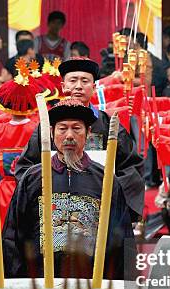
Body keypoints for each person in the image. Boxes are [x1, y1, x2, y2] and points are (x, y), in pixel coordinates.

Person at [3, 99, 134, 278]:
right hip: (41, 281)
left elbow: (121, 237)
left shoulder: (104, 179)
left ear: (88, 133)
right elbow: (14, 235)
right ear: (51, 133)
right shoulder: (33, 178)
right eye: (62, 128)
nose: (69, 135)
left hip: (91, 281)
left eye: (76, 128)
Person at [14, 57, 145, 222]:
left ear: (94, 87)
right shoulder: (48, 125)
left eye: (85, 81)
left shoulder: (109, 125)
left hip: (98, 209)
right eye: (73, 80)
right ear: (63, 86)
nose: (78, 86)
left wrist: (110, 193)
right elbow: (25, 167)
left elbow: (131, 167)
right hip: (54, 211)